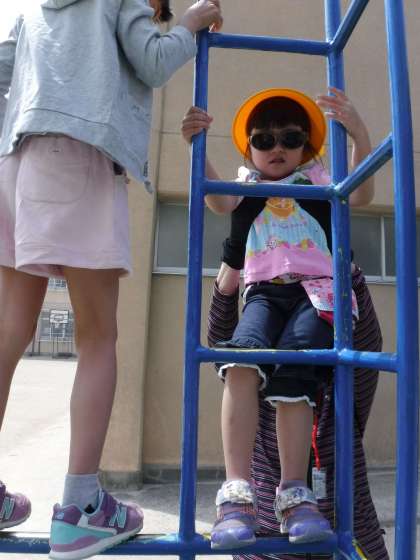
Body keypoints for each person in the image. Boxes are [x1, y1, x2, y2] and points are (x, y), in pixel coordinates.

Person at [0, 1, 222, 559]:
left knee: (7, 333)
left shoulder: (32, 10)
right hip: (77, 154)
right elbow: (153, 62)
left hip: (14, 160)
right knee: (98, 337)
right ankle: (80, 508)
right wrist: (191, 24)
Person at [181, 86, 387, 555]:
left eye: (291, 139)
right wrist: (197, 149)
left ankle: (295, 493)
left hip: (319, 292)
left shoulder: (317, 180)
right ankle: (237, 493)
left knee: (297, 366)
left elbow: (359, 193)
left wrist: (359, 134)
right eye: (264, 140)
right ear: (249, 149)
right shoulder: (248, 185)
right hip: (264, 292)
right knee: (238, 360)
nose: (277, 148)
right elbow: (219, 204)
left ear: (306, 147)